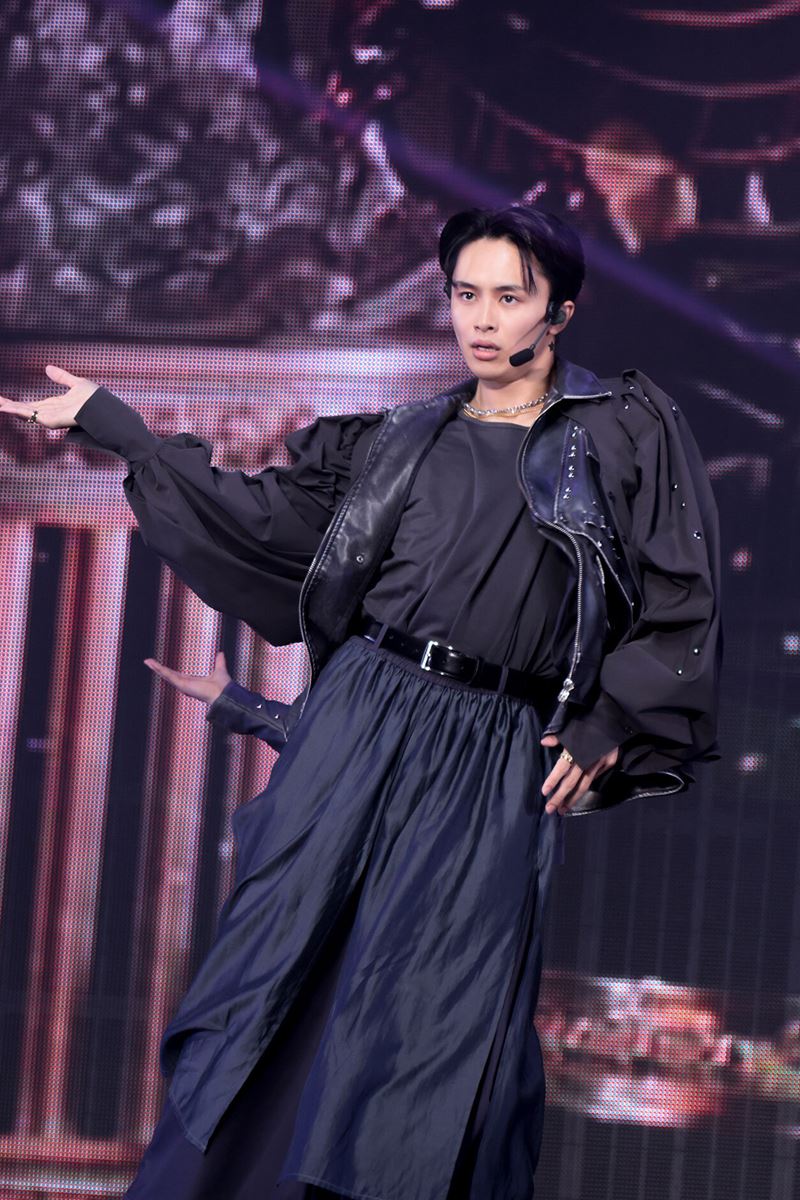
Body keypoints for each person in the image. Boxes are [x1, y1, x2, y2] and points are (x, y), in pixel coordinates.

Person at [0, 206, 722, 1199]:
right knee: (279, 990)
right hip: (359, 721)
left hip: (490, 752)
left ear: (559, 311)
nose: (480, 319)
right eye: (464, 293)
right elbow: (264, 522)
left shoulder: (620, 434)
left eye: (507, 296)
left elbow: (680, 600)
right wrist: (115, 425)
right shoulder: (397, 441)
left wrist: (608, 722)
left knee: (433, 1027)